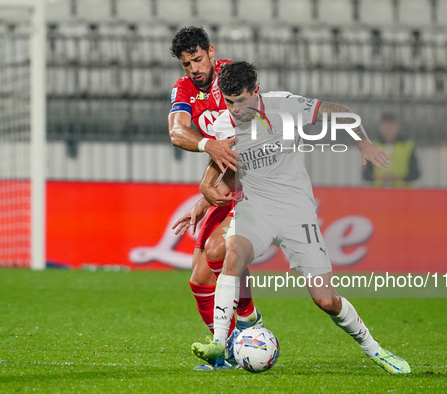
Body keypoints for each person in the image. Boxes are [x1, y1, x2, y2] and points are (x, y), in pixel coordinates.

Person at [190, 61, 411, 374]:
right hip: (257, 209)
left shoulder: (284, 106)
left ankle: (375, 351)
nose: (236, 109)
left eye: (242, 101)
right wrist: (205, 191)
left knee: (326, 300)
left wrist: (363, 142)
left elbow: (339, 110)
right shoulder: (223, 125)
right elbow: (225, 165)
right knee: (231, 256)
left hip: (297, 212)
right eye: (229, 102)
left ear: (256, 91)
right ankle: (220, 343)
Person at [167, 27, 262, 370]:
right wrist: (204, 196)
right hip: (227, 179)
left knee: (218, 250)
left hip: (256, 180)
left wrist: (207, 189)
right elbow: (178, 132)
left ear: (211, 51)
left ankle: (249, 323)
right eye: (186, 63)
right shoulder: (184, 89)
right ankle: (226, 353)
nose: (193, 68)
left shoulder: (232, 80)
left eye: (197, 59)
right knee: (199, 278)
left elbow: (241, 142)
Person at [363, 113, 420, 187]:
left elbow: (415, 173)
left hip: (402, 193)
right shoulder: (373, 146)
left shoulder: (407, 146)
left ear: (397, 127)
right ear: (380, 127)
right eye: (386, 126)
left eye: (391, 126)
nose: (388, 129)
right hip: (379, 192)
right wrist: (380, 178)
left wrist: (396, 178)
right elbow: (366, 174)